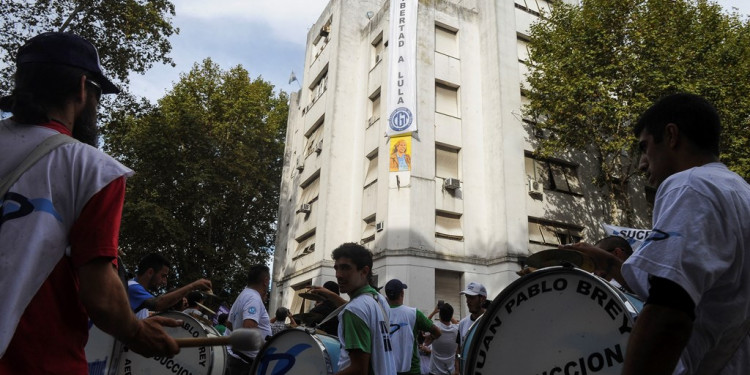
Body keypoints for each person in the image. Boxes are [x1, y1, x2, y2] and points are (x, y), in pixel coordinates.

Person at [0, 32, 181, 373]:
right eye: (99, 95)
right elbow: (100, 295)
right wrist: (136, 331)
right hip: (36, 362)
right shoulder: (91, 169)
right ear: (83, 89)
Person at [564, 93, 750, 374]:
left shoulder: (688, 186)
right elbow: (703, 286)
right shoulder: (739, 191)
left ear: (672, 135)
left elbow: (669, 309)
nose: (641, 163)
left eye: (645, 147)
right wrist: (606, 262)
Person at [331, 243, 396, 375]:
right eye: (336, 268)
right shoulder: (378, 299)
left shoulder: (354, 310)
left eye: (345, 268)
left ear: (364, 271)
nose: (338, 275)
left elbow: (359, 370)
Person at [127, 252, 212, 319]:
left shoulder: (138, 290)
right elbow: (159, 303)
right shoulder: (132, 287)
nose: (164, 282)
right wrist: (193, 286)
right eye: (163, 276)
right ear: (150, 272)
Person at [384, 278, 442, 375]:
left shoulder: (379, 313)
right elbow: (438, 332)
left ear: (387, 296)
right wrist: (431, 337)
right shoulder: (414, 313)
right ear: (402, 293)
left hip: (387, 369)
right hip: (411, 369)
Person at [227, 264, 273, 375]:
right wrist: (267, 345)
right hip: (244, 364)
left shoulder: (243, 295)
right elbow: (249, 328)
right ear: (266, 281)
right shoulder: (254, 298)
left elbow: (229, 324)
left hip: (237, 358)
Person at [455, 282, 487, 373]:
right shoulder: (462, 323)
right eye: (467, 297)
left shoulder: (490, 320)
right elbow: (459, 349)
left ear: (483, 299)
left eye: (472, 297)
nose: (468, 301)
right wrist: (457, 369)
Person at [427, 303, 459, 375]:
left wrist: (434, 311)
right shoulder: (456, 330)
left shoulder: (435, 328)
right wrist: (449, 314)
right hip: (450, 371)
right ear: (451, 315)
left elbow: (425, 322)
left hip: (434, 371)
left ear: (439, 315)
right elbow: (456, 323)